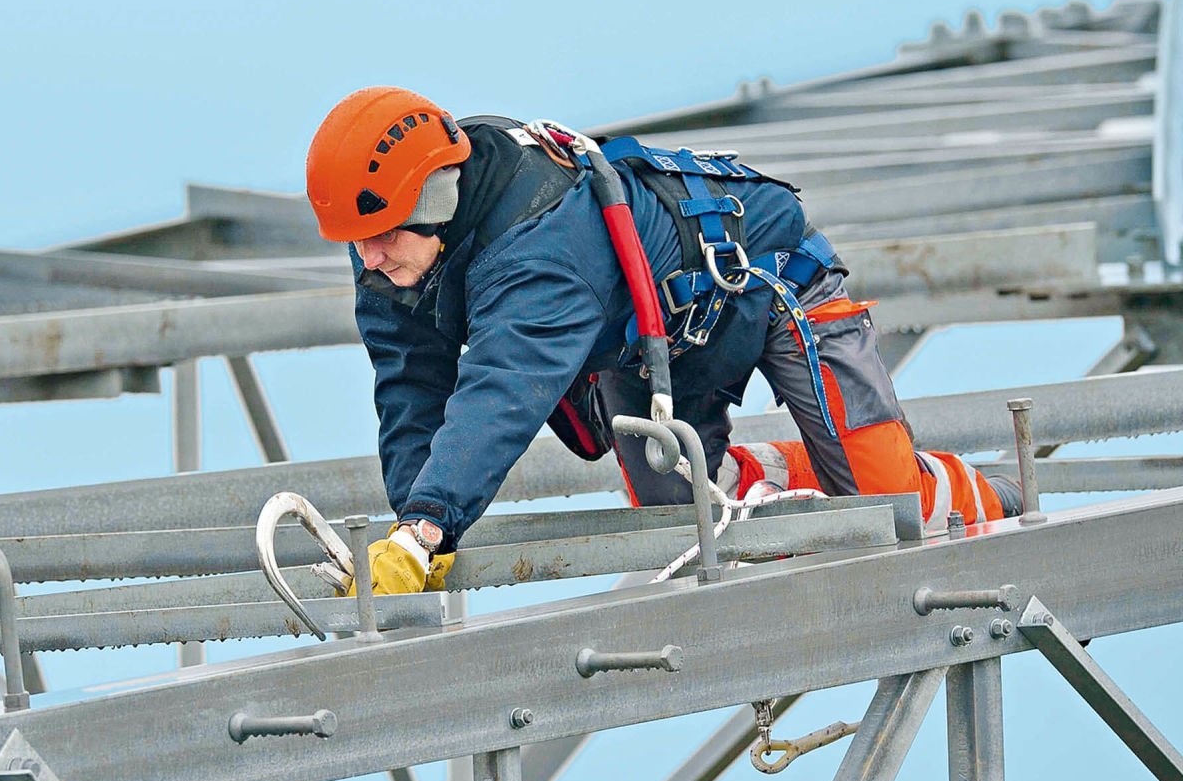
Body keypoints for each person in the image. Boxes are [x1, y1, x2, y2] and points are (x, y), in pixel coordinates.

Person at [304, 86, 1022, 595]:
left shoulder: (539, 248)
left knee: (883, 500)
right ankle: (773, 473)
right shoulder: (390, 242)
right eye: (355, 243)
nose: (367, 258)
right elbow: (410, 386)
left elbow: (500, 391)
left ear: (435, 201)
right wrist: (414, 526)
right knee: (688, 521)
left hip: (769, 285)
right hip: (649, 337)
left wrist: (429, 525)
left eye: (379, 238)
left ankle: (990, 497)